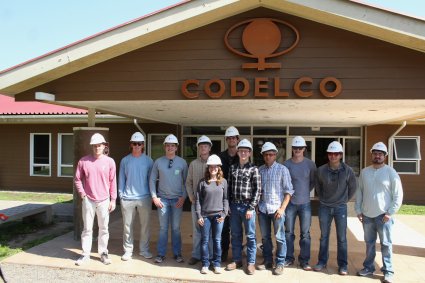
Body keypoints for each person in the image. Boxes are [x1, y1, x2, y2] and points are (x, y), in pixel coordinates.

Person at [355, 142, 403, 283]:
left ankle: (388, 271)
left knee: (386, 244)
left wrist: (390, 212)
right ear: (372, 154)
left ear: (385, 156)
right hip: (367, 215)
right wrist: (358, 210)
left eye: (380, 154)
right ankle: (368, 268)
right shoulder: (365, 172)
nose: (377, 156)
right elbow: (360, 192)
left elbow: (398, 195)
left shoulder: (391, 173)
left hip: (384, 216)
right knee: (369, 243)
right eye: (375, 153)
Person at [314, 141, 356, 275]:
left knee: (342, 238)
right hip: (324, 207)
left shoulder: (348, 170)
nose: (333, 156)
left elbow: (352, 188)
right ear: (328, 155)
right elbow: (318, 187)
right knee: (324, 236)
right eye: (331, 153)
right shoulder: (321, 170)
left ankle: (343, 265)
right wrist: (323, 199)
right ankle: (322, 261)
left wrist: (343, 200)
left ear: (341, 155)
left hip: (340, 208)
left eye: (336, 154)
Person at [74, 133, 117, 266]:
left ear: (104, 146)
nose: (97, 148)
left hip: (104, 200)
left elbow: (113, 181)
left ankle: (103, 253)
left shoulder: (110, 162)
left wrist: (113, 199)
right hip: (89, 200)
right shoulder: (83, 161)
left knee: (104, 228)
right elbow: (77, 179)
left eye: (99, 145)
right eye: (94, 146)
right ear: (92, 147)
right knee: (87, 228)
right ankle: (85, 253)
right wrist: (82, 194)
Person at [149, 134, 188, 264]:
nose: (170, 147)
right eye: (168, 145)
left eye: (172, 145)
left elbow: (187, 181)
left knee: (176, 228)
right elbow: (152, 179)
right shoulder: (158, 162)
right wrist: (154, 197)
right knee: (163, 228)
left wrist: (183, 197)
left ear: (176, 147)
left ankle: (177, 254)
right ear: (164, 147)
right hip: (163, 200)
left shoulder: (182, 162)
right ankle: (161, 254)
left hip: (177, 200)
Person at [257, 142, 294, 275]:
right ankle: (267, 261)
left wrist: (282, 208)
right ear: (263, 156)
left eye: (271, 154)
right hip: (263, 209)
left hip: (277, 210)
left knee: (280, 237)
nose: (268, 157)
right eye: (266, 154)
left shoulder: (282, 170)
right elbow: (257, 190)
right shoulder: (259, 170)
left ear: (275, 155)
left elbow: (288, 191)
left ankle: (279, 263)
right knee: (265, 238)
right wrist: (256, 206)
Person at [225, 139, 261, 275]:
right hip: (234, 206)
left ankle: (251, 263)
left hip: (247, 207)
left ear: (250, 152)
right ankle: (237, 260)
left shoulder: (254, 169)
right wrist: (228, 204)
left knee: (250, 236)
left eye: (246, 151)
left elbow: (258, 190)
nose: (243, 153)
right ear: (238, 152)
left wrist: (252, 207)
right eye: (241, 151)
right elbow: (228, 188)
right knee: (235, 234)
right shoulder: (232, 168)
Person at [118, 132, 154, 261]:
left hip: (144, 198)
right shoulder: (125, 160)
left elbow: (152, 179)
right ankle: (128, 251)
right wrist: (121, 195)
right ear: (131, 145)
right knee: (127, 226)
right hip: (127, 199)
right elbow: (121, 179)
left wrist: (152, 195)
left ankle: (144, 250)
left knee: (145, 226)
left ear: (143, 145)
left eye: (139, 143)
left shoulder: (149, 161)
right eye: (134, 143)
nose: (137, 146)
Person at [283, 136, 317, 270]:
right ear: (292, 149)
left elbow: (313, 182)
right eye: (295, 148)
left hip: (305, 204)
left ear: (304, 149)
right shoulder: (286, 165)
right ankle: (288, 258)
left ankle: (304, 260)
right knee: (288, 233)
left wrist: (304, 192)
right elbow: (284, 184)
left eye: (300, 148)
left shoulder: (310, 164)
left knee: (305, 234)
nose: (297, 150)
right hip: (290, 204)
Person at [196, 154, 229, 274]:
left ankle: (216, 264)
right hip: (205, 216)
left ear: (219, 168)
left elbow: (226, 199)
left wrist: (224, 214)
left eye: (215, 167)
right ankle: (205, 264)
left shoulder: (223, 182)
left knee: (217, 240)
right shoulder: (202, 182)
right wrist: (199, 216)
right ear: (208, 168)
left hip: (218, 216)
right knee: (204, 240)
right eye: (211, 166)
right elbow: (198, 200)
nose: (213, 168)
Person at [186, 135, 213, 265]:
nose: (203, 148)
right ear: (198, 148)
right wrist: (191, 196)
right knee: (197, 230)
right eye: (201, 146)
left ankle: (210, 256)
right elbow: (188, 182)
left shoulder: (213, 163)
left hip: (211, 204)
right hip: (196, 203)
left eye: (206, 146)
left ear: (209, 148)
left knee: (210, 231)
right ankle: (196, 255)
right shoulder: (193, 164)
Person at [218, 126, 240, 262]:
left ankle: (237, 256)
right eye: (229, 138)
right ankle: (224, 253)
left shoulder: (243, 155)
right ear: (226, 140)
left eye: (234, 138)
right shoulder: (221, 156)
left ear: (238, 139)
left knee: (237, 230)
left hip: (238, 198)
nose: (231, 140)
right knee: (224, 229)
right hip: (222, 198)